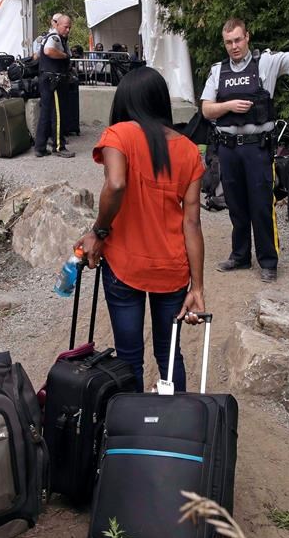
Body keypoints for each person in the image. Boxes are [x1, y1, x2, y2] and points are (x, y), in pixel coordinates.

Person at [76, 67, 206, 392]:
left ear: (125, 100)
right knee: (169, 355)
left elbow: (116, 184)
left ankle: (133, 432)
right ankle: (176, 431)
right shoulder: (189, 151)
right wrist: (199, 287)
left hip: (124, 265)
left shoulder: (118, 135)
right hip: (172, 270)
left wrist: (98, 231)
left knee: (129, 357)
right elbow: (192, 223)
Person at [200, 13, 289, 283]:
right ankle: (239, 256)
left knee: (262, 205)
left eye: (238, 40)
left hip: (257, 148)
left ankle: (268, 261)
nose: (234, 46)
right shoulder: (218, 71)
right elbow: (206, 109)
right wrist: (228, 106)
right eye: (228, 42)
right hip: (228, 149)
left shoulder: (267, 63)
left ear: (247, 36)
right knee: (236, 204)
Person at [34, 14, 76, 158]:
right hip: (54, 81)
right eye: (65, 27)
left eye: (69, 27)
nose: (68, 30)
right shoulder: (54, 38)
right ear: (57, 25)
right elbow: (48, 51)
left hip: (47, 79)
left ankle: (40, 147)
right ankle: (59, 147)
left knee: (45, 114)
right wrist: (64, 56)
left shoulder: (53, 37)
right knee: (57, 114)